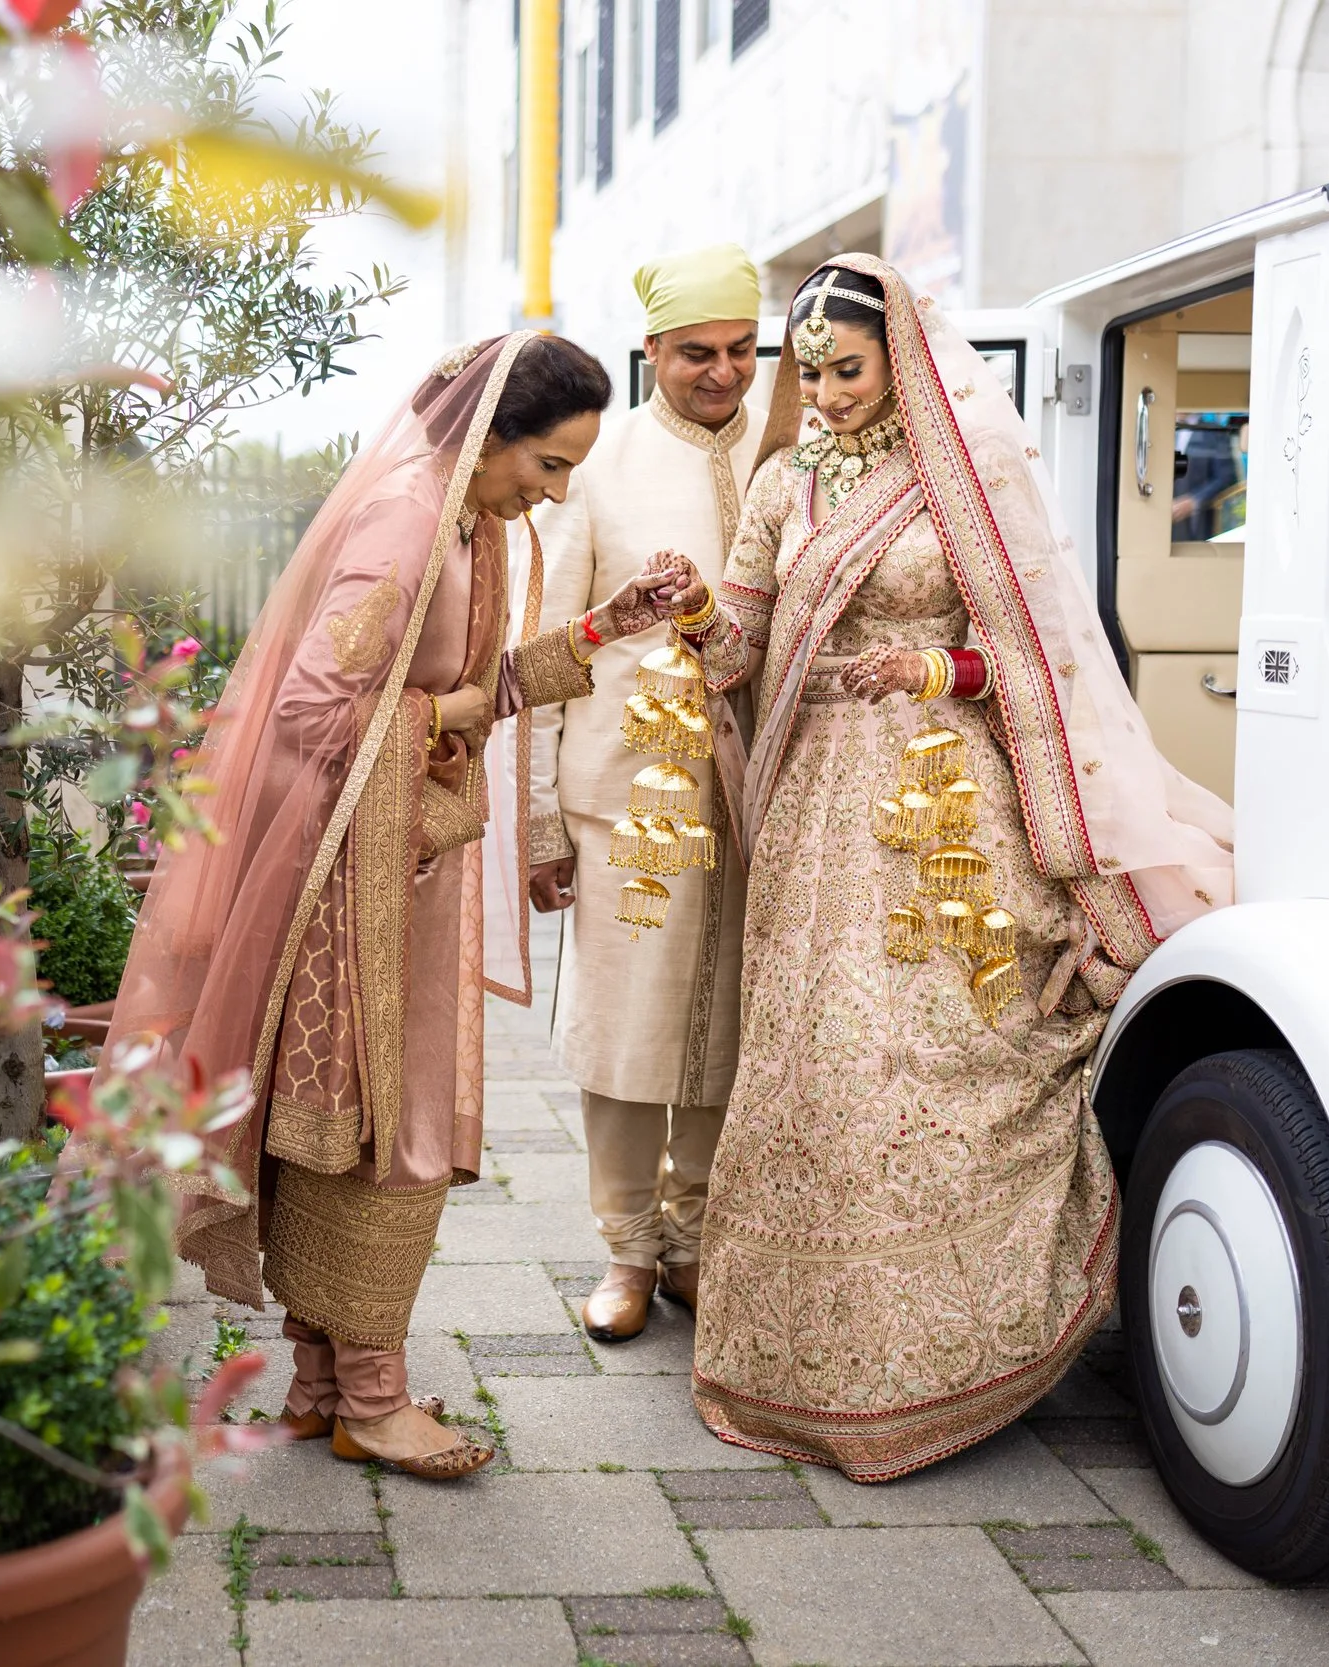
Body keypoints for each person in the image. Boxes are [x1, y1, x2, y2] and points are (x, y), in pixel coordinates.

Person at [670, 256, 1235, 1480]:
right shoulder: (785, 484)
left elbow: (1033, 651)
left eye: (844, 369)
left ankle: (950, 1350)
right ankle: (795, 1361)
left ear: (903, 360)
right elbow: (738, 651)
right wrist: (688, 614)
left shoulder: (967, 479)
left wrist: (934, 672)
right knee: (815, 1062)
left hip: (943, 800)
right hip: (817, 802)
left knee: (936, 1043)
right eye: (807, 370)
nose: (819, 393)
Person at [109, 333, 698, 1480]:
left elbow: (461, 695)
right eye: (547, 464)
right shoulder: (406, 522)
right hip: (349, 883)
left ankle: (325, 1382)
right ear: (488, 435)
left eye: (571, 470)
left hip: (390, 865)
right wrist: (455, 711)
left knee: (364, 1116)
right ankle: (373, 1398)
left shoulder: (469, 520)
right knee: (388, 1129)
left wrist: (602, 626)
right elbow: (313, 714)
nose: (556, 491)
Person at [526, 245, 762, 1344]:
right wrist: (538, 817)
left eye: (740, 349)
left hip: (758, 792)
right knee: (627, 1029)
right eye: (697, 352)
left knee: (730, 1021)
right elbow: (546, 649)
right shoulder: (602, 462)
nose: (722, 372)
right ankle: (624, 1250)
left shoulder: (792, 455)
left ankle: (698, 1243)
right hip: (627, 792)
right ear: (652, 352)